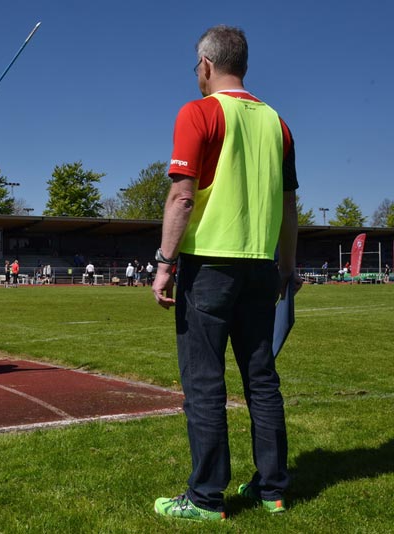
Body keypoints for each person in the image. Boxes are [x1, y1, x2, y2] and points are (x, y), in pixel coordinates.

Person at [151, 25, 302, 521]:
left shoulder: (198, 112)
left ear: (207, 64)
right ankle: (273, 489)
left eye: (196, 65)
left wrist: (165, 263)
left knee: (204, 383)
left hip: (210, 264)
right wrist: (286, 267)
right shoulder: (278, 123)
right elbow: (288, 207)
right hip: (261, 266)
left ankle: (205, 498)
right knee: (261, 377)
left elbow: (182, 195)